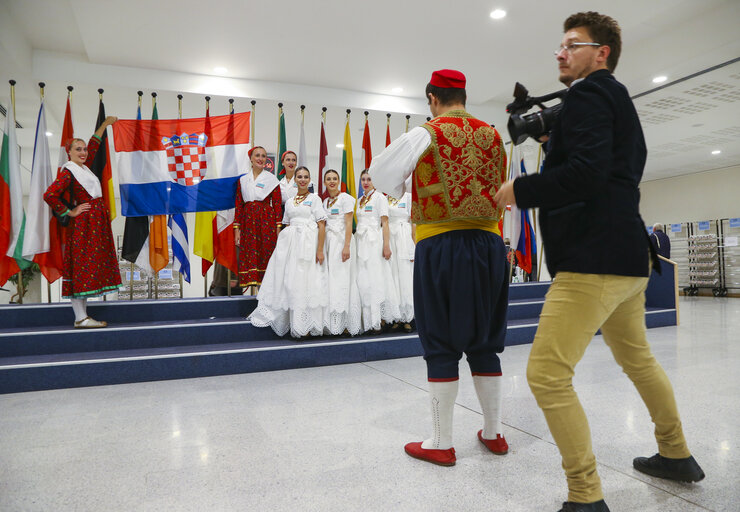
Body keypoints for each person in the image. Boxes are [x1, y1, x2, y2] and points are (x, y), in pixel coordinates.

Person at [493, 12, 703, 512]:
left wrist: (519, 190)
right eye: (560, 46)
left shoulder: (587, 94)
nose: (561, 53)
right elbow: (607, 170)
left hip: (593, 260)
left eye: (572, 44)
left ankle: (586, 496)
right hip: (628, 256)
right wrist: (552, 139)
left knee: (546, 374)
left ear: (601, 52)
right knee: (638, 359)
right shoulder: (614, 98)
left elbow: (586, 175)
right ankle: (675, 453)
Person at [370, 69, 509, 467]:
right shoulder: (493, 134)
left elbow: (380, 174)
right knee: (485, 339)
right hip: (488, 244)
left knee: (441, 338)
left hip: (441, 244)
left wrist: (405, 188)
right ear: (463, 95)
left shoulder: (425, 132)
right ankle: (494, 433)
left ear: (432, 97)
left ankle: (441, 441)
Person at [43, 116, 121, 328]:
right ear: (69, 152)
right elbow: (50, 195)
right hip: (85, 226)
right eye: (78, 149)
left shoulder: (84, 169)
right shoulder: (68, 171)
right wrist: (70, 211)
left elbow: (94, 146)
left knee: (88, 268)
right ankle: (80, 318)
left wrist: (105, 126)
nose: (83, 152)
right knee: (81, 268)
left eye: (84, 149)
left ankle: (82, 317)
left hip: (96, 223)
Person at [249, 167, 328, 337]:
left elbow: (322, 225)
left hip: (308, 244)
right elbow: (286, 225)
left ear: (310, 180)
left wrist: (320, 249)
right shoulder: (290, 201)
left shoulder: (315, 199)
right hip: (290, 246)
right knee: (290, 281)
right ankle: (293, 321)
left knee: (306, 282)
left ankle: (306, 325)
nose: (302, 179)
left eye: (306, 177)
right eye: (299, 176)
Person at [354, 170, 400, 332]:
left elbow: (385, 223)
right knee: (364, 280)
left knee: (377, 278)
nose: (366, 182)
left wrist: (386, 245)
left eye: (369, 179)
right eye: (363, 179)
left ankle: (379, 318)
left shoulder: (379, 198)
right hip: (361, 242)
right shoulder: (360, 200)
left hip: (375, 241)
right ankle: (369, 319)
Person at [234, 146, 282, 290]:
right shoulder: (243, 180)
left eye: (263, 156)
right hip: (248, 221)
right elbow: (239, 205)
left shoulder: (272, 179)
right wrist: (237, 229)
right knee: (250, 255)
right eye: (257, 155)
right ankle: (254, 299)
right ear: (251, 159)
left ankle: (267, 295)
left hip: (266, 221)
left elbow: (278, 205)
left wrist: (278, 228)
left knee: (265, 255)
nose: (261, 159)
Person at [322, 169, 362, 335]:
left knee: (343, 280)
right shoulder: (324, 202)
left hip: (341, 243)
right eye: (328, 179)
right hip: (329, 243)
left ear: (339, 181)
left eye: (334, 178)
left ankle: (346, 323)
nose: (332, 181)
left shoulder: (346, 199)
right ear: (324, 182)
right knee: (331, 282)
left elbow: (348, 224)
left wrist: (346, 246)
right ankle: (333, 323)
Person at [386, 190, 415, 331]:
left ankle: (408, 318)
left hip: (404, 236)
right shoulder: (385, 197)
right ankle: (397, 317)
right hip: (391, 237)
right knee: (393, 276)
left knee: (405, 276)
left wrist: (415, 245)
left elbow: (413, 221)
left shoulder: (408, 196)